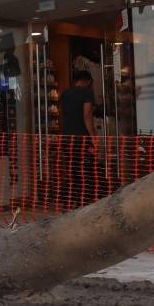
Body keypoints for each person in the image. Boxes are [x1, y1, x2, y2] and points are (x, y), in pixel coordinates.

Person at [59, 69, 98, 208]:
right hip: (81, 139)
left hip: (67, 138)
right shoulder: (87, 93)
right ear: (87, 81)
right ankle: (83, 201)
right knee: (85, 170)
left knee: (71, 170)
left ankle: (69, 201)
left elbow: (64, 115)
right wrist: (93, 137)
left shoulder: (65, 94)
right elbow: (87, 116)